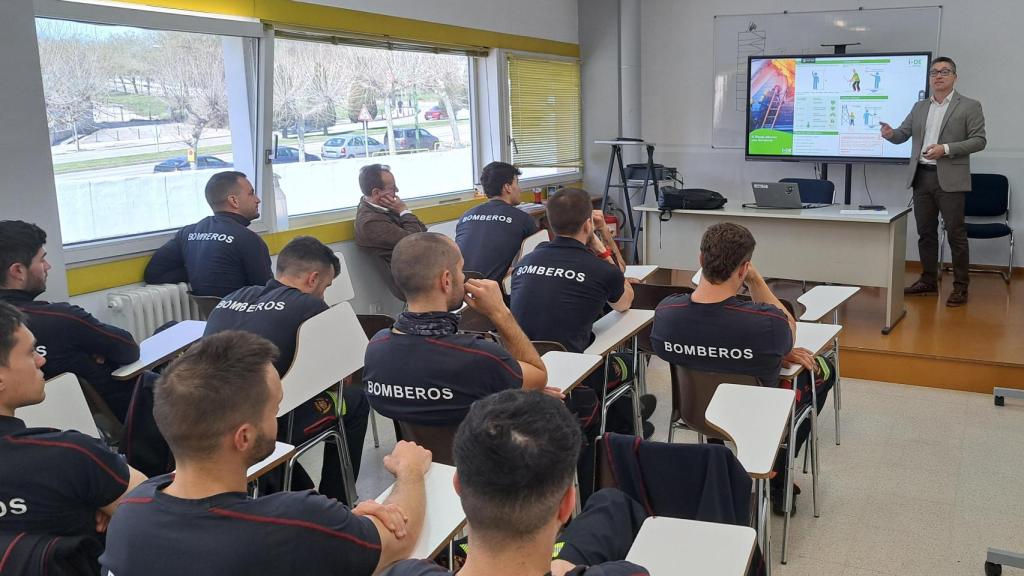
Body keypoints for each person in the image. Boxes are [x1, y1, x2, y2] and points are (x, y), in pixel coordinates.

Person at [100, 331, 433, 575]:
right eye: (274, 409)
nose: (278, 417)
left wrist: (345, 527)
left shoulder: (130, 512)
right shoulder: (292, 522)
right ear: (243, 437)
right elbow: (398, 540)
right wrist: (410, 471)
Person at [650, 222, 833, 514]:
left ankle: (719, 458)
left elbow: (683, 346)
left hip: (696, 413)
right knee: (824, 369)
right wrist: (757, 283)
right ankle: (778, 467)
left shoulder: (667, 314)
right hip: (757, 419)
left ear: (700, 261)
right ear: (743, 268)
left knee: (708, 370)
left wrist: (765, 353)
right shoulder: (766, 325)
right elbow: (789, 334)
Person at [386, 389, 649, 576]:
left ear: (458, 486)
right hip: (557, 560)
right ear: (566, 504)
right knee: (612, 505)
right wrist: (562, 566)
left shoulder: (404, 570)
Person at [203, 236, 368, 499]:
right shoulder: (311, 307)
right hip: (273, 424)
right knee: (355, 401)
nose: (323, 294)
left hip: (206, 423)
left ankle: (289, 483)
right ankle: (338, 500)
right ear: (312, 279)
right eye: (325, 286)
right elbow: (344, 373)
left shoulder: (230, 299)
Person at [0, 301, 145, 559]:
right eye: (30, 352)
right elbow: (153, 515)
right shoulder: (72, 456)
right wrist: (98, 498)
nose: (41, 359)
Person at [363, 232, 547, 427]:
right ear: (447, 280)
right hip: (479, 455)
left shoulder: (376, 348)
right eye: (461, 269)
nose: (464, 277)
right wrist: (500, 313)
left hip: (416, 455)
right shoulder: (481, 358)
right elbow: (538, 376)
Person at [508, 188, 650, 438]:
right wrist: (600, 246)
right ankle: (625, 428)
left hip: (524, 369)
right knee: (629, 362)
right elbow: (625, 301)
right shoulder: (600, 269)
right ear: (588, 225)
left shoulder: (527, 261)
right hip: (574, 372)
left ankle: (622, 418)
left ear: (549, 223)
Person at [0, 220, 139, 421]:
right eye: (41, 260)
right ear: (18, 271)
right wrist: (92, 348)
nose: (48, 266)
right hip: (118, 419)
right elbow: (128, 349)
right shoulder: (63, 319)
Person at [880, 56, 987, 307]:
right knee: (925, 234)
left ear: (954, 77)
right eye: (934, 72)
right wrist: (890, 134)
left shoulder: (969, 106)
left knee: (956, 235)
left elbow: (979, 140)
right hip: (922, 177)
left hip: (950, 179)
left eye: (944, 72)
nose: (938, 76)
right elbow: (902, 134)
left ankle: (961, 287)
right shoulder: (919, 107)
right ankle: (928, 281)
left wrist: (946, 148)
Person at [144, 171, 272, 298]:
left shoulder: (188, 233)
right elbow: (269, 295)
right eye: (251, 193)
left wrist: (197, 270)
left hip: (212, 316)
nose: (257, 200)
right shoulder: (248, 239)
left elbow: (154, 274)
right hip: (245, 315)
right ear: (234, 201)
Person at [455, 162, 539, 283]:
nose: (520, 189)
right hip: (490, 291)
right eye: (517, 183)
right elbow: (538, 259)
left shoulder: (466, 216)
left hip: (459, 289)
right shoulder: (523, 219)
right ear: (507, 187)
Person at [354, 164, 427, 300]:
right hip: (411, 279)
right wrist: (403, 211)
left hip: (422, 267)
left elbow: (423, 230)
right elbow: (417, 240)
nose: (397, 191)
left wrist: (403, 213)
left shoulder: (383, 208)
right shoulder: (370, 223)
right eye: (393, 188)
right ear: (376, 193)